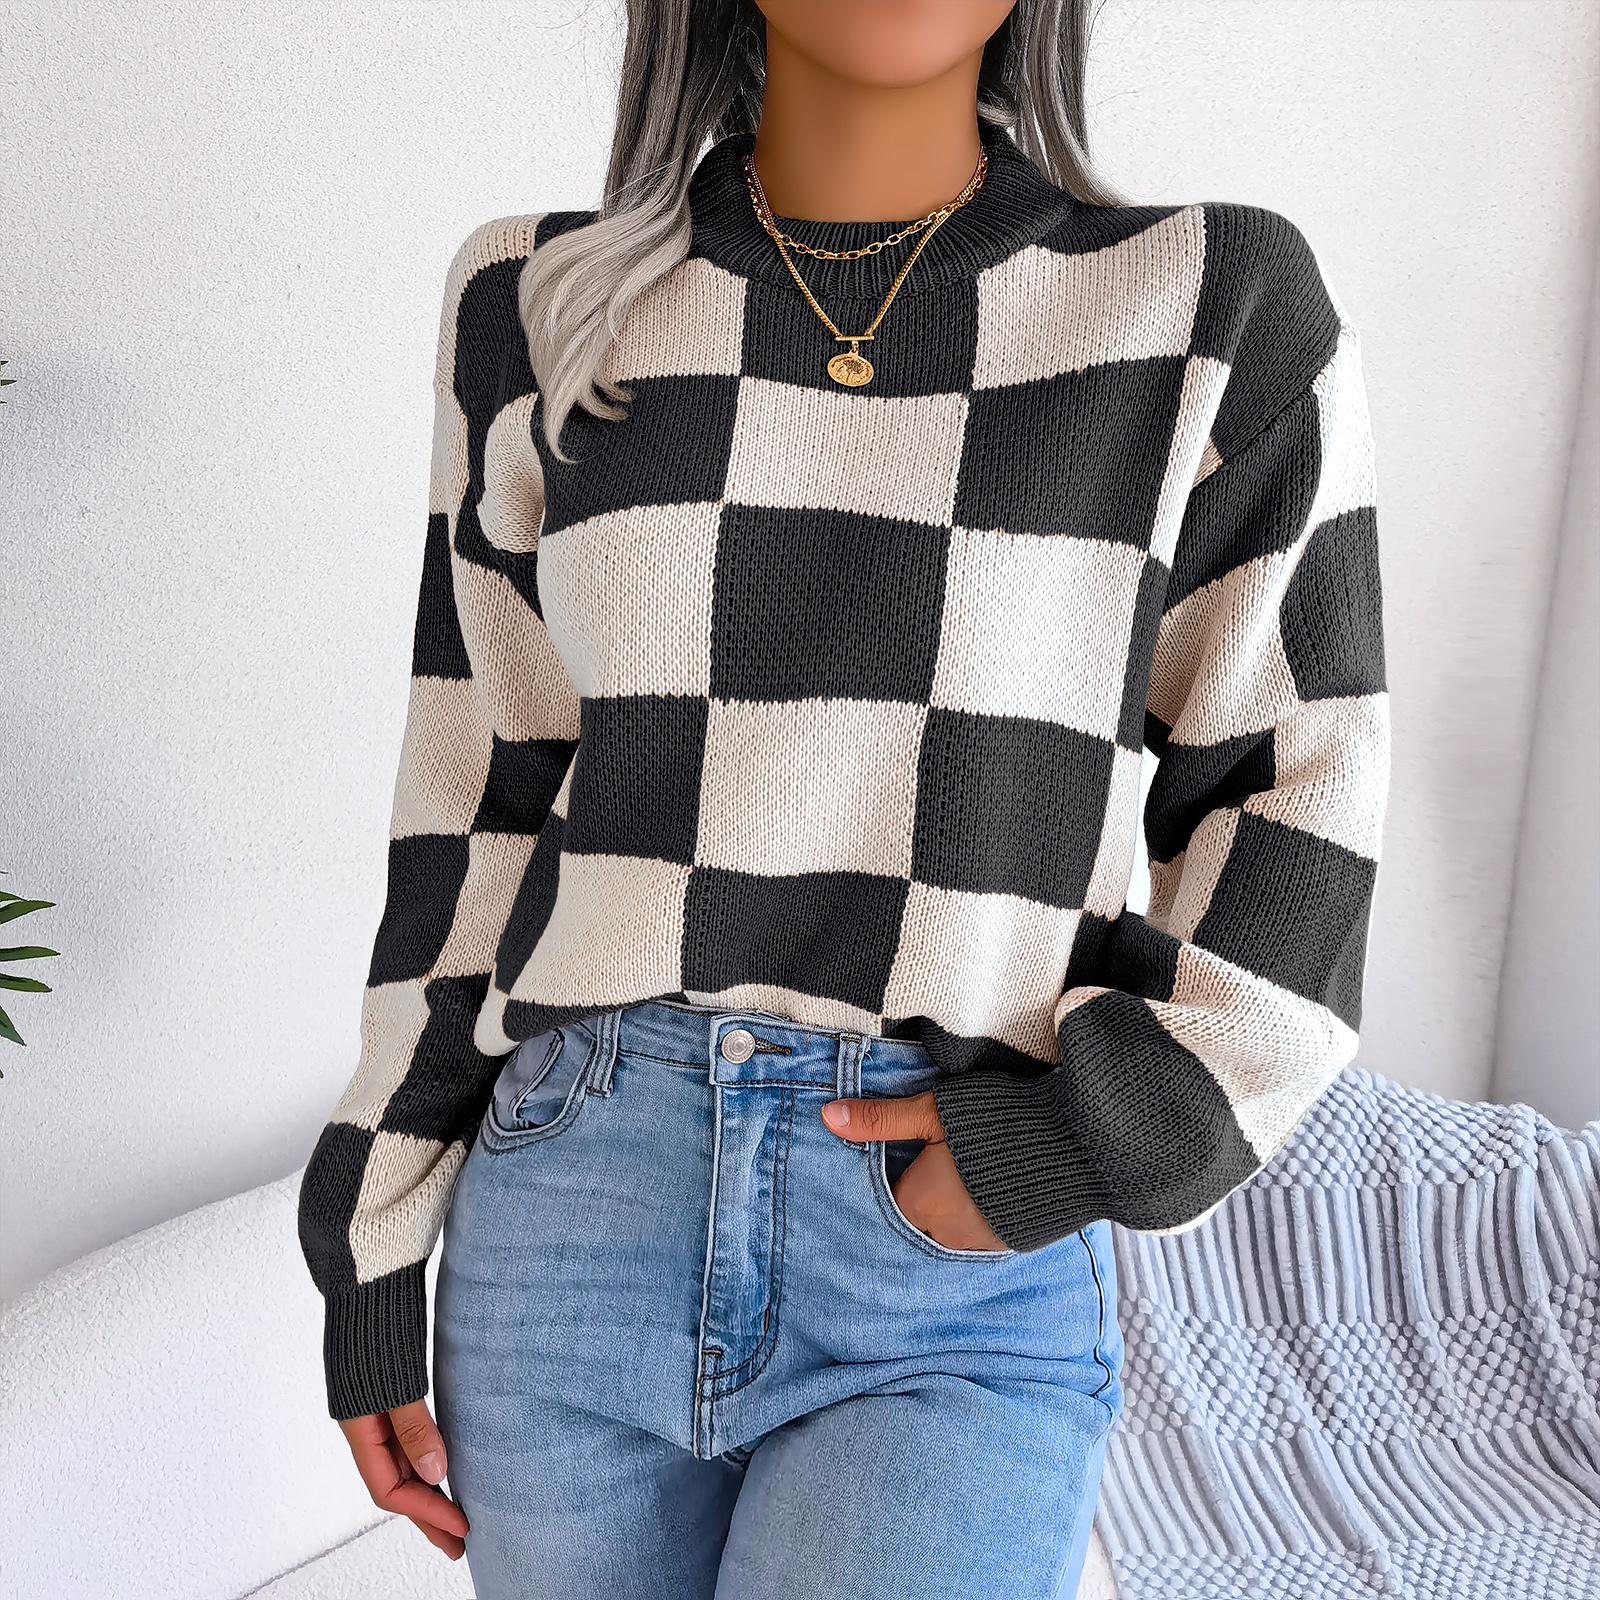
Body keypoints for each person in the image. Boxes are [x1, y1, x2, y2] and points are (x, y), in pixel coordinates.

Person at [295, 1, 1391, 1595]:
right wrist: (373, 1238)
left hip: (940, 1238)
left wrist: (1075, 1145)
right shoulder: (533, 303)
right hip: (569, 1209)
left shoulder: (1208, 302)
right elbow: (476, 800)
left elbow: (1301, 792)